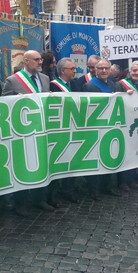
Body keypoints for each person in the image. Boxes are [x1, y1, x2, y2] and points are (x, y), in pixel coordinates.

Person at [2, 50, 53, 216]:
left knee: (43, 163)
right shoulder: (12, 81)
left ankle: (40, 198)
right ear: (26, 61)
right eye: (36, 59)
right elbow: (3, 106)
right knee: (23, 166)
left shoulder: (45, 78)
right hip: (23, 131)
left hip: (42, 129)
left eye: (40, 59)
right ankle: (20, 203)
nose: (40, 62)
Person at [83, 58, 122, 200]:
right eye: (100, 69)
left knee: (107, 157)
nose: (104, 71)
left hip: (109, 127)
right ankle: (94, 189)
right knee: (94, 160)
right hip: (95, 127)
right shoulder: (88, 86)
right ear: (95, 70)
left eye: (106, 68)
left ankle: (108, 186)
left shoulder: (113, 85)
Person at [49, 58, 81, 204]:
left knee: (72, 161)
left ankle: (69, 190)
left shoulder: (75, 84)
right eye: (72, 68)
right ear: (63, 71)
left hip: (74, 128)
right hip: (59, 130)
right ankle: (54, 193)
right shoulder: (53, 86)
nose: (75, 71)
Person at [114, 61, 138, 190]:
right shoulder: (120, 85)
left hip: (136, 125)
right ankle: (122, 181)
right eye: (134, 70)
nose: (136, 73)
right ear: (129, 71)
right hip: (123, 124)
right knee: (124, 154)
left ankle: (131, 179)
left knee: (134, 153)